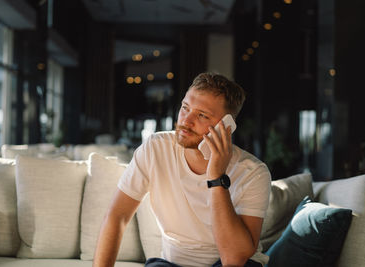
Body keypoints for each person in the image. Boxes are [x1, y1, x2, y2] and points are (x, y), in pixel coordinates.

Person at [93, 73, 271, 267]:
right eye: (185, 108)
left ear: (226, 127)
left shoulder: (254, 172)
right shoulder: (155, 148)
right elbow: (116, 216)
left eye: (202, 115)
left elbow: (234, 259)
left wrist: (217, 177)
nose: (186, 120)